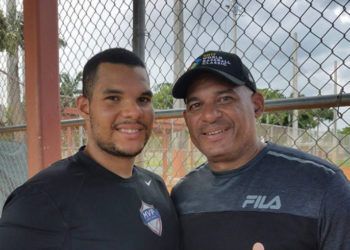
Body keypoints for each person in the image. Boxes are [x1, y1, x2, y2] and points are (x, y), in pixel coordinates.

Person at [0, 48, 179, 249]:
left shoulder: (156, 186)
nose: (134, 112)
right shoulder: (41, 199)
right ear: (85, 106)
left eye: (143, 100)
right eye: (113, 98)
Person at [170, 50, 350, 250]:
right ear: (187, 119)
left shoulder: (322, 184)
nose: (210, 115)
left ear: (257, 105)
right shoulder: (182, 195)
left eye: (225, 99)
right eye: (196, 105)